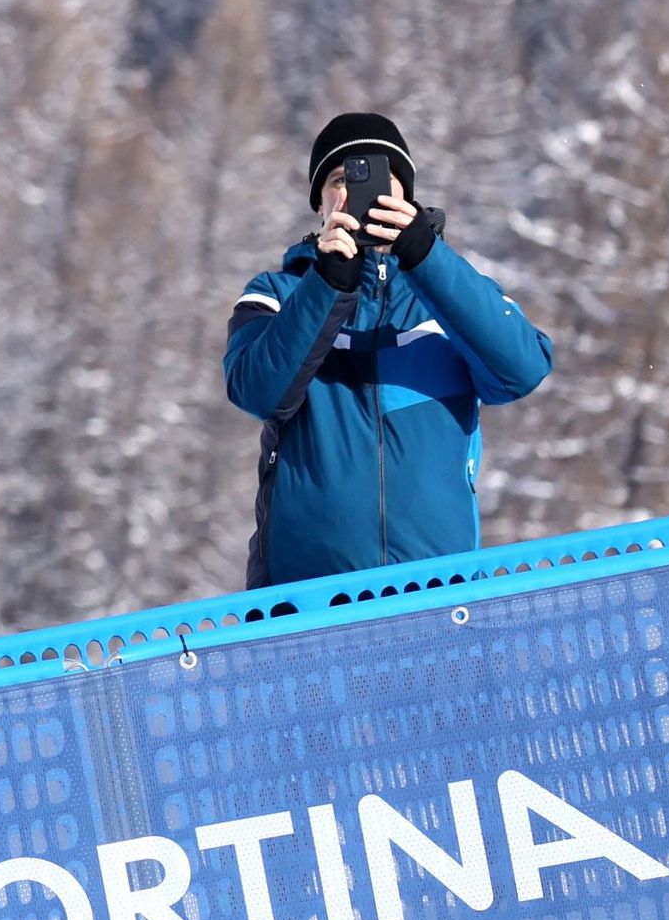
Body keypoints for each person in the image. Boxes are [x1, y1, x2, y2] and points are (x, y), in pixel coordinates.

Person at [223, 113, 553, 588]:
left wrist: (424, 255)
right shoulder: (278, 292)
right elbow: (258, 392)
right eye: (340, 179)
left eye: (382, 176)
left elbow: (522, 370)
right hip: (305, 599)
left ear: (406, 195)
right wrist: (328, 283)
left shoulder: (450, 293)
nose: (357, 191)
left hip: (437, 591)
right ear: (319, 203)